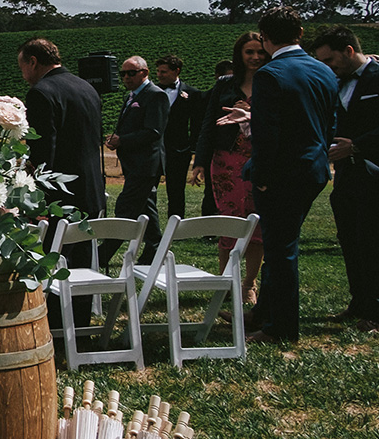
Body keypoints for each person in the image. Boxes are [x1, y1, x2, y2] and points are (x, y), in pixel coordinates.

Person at [310, 26, 379, 330]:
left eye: (330, 59)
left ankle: (377, 313)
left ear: (348, 51)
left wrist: (357, 146)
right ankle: (358, 303)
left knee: (373, 242)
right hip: (348, 174)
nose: (327, 66)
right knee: (349, 239)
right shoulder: (335, 82)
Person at [244, 6, 339, 346]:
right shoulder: (324, 71)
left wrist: (264, 176)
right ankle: (262, 312)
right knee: (280, 243)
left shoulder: (270, 74)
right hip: (313, 167)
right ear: (300, 34)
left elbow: (266, 134)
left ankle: (281, 328)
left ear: (265, 38)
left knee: (281, 250)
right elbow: (329, 123)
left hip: (281, 174)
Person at [19, 38, 107, 328]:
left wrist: (38, 195)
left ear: (33, 61)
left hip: (61, 194)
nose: (23, 73)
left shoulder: (41, 92)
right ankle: (79, 327)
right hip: (90, 188)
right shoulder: (87, 87)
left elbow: (44, 151)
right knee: (81, 260)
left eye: (22, 65)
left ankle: (54, 326)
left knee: (55, 260)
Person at [194, 32, 268, 297]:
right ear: (240, 55)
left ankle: (249, 283)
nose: (255, 57)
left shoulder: (271, 81)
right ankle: (226, 281)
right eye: (249, 52)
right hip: (225, 161)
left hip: (259, 160)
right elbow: (208, 124)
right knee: (228, 221)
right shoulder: (225, 84)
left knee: (255, 221)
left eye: (260, 52)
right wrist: (199, 161)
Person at [105, 55, 170, 253]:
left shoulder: (155, 95)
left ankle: (104, 253)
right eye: (123, 73)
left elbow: (154, 131)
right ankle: (155, 248)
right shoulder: (132, 96)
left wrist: (122, 140)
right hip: (134, 164)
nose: (126, 77)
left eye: (131, 73)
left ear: (145, 73)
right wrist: (117, 137)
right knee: (146, 208)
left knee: (125, 208)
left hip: (146, 164)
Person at [156, 55, 201, 223]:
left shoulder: (192, 93)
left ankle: (175, 223)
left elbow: (196, 123)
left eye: (164, 72)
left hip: (179, 149)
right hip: (155, 147)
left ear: (177, 71)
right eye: (158, 71)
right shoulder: (153, 91)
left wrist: (192, 147)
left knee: (176, 189)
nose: (160, 75)